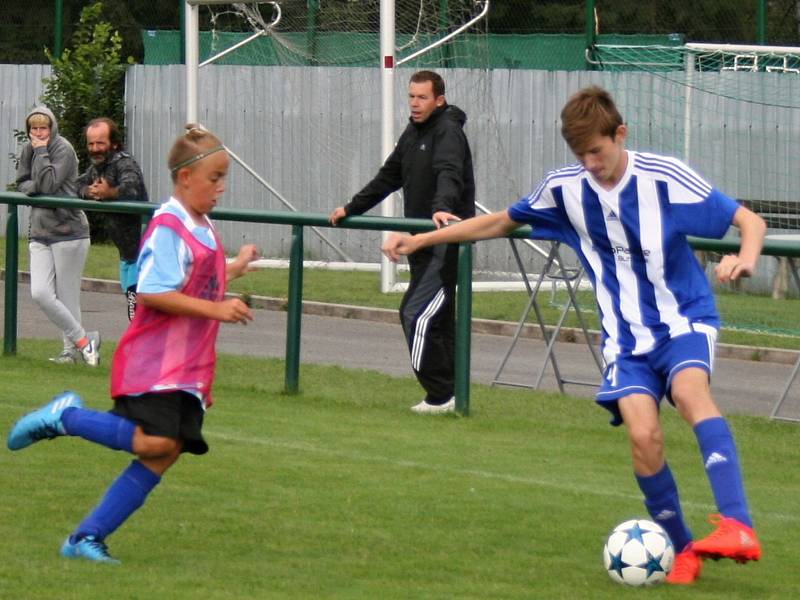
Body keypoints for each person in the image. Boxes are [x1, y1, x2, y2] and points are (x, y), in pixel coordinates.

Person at [382, 86, 766, 584]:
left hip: (682, 321)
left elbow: (748, 221)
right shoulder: (565, 190)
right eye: (580, 154)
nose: (590, 163)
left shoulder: (664, 178)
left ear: (620, 134)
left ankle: (738, 525)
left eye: (597, 152)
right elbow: (499, 222)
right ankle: (684, 549)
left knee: (692, 395)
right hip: (625, 341)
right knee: (643, 437)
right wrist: (424, 237)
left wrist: (746, 258)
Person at [6, 124, 259, 564]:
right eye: (214, 178)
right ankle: (66, 416)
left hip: (189, 367)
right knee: (153, 443)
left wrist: (233, 267)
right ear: (184, 178)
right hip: (156, 363)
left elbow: (195, 280)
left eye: (223, 179)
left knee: (166, 452)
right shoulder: (169, 225)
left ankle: (86, 538)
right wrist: (219, 309)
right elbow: (152, 291)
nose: (220, 188)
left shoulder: (200, 225)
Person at [329, 70, 475, 414]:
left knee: (414, 313)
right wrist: (351, 207)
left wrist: (442, 208)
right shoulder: (413, 132)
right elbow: (389, 176)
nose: (414, 103)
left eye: (422, 97)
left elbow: (448, 173)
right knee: (435, 318)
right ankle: (452, 396)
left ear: (439, 100)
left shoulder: (448, 132)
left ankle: (441, 395)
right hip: (419, 241)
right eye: (411, 96)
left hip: (444, 239)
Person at [15, 106, 100, 366]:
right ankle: (85, 340)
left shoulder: (63, 149)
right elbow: (21, 181)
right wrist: (33, 187)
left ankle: (70, 351)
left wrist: (41, 152)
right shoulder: (28, 149)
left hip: (69, 231)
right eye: (34, 129)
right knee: (40, 292)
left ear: (52, 128)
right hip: (40, 231)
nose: (39, 133)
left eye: (44, 128)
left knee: (66, 295)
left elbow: (50, 185)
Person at [77, 117, 149, 321]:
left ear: (114, 143)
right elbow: (76, 185)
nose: (95, 148)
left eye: (100, 142)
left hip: (143, 250)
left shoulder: (123, 162)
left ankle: (146, 351)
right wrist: (87, 191)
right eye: (91, 143)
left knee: (137, 311)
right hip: (126, 253)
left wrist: (110, 193)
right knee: (133, 308)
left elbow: (132, 188)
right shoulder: (97, 168)